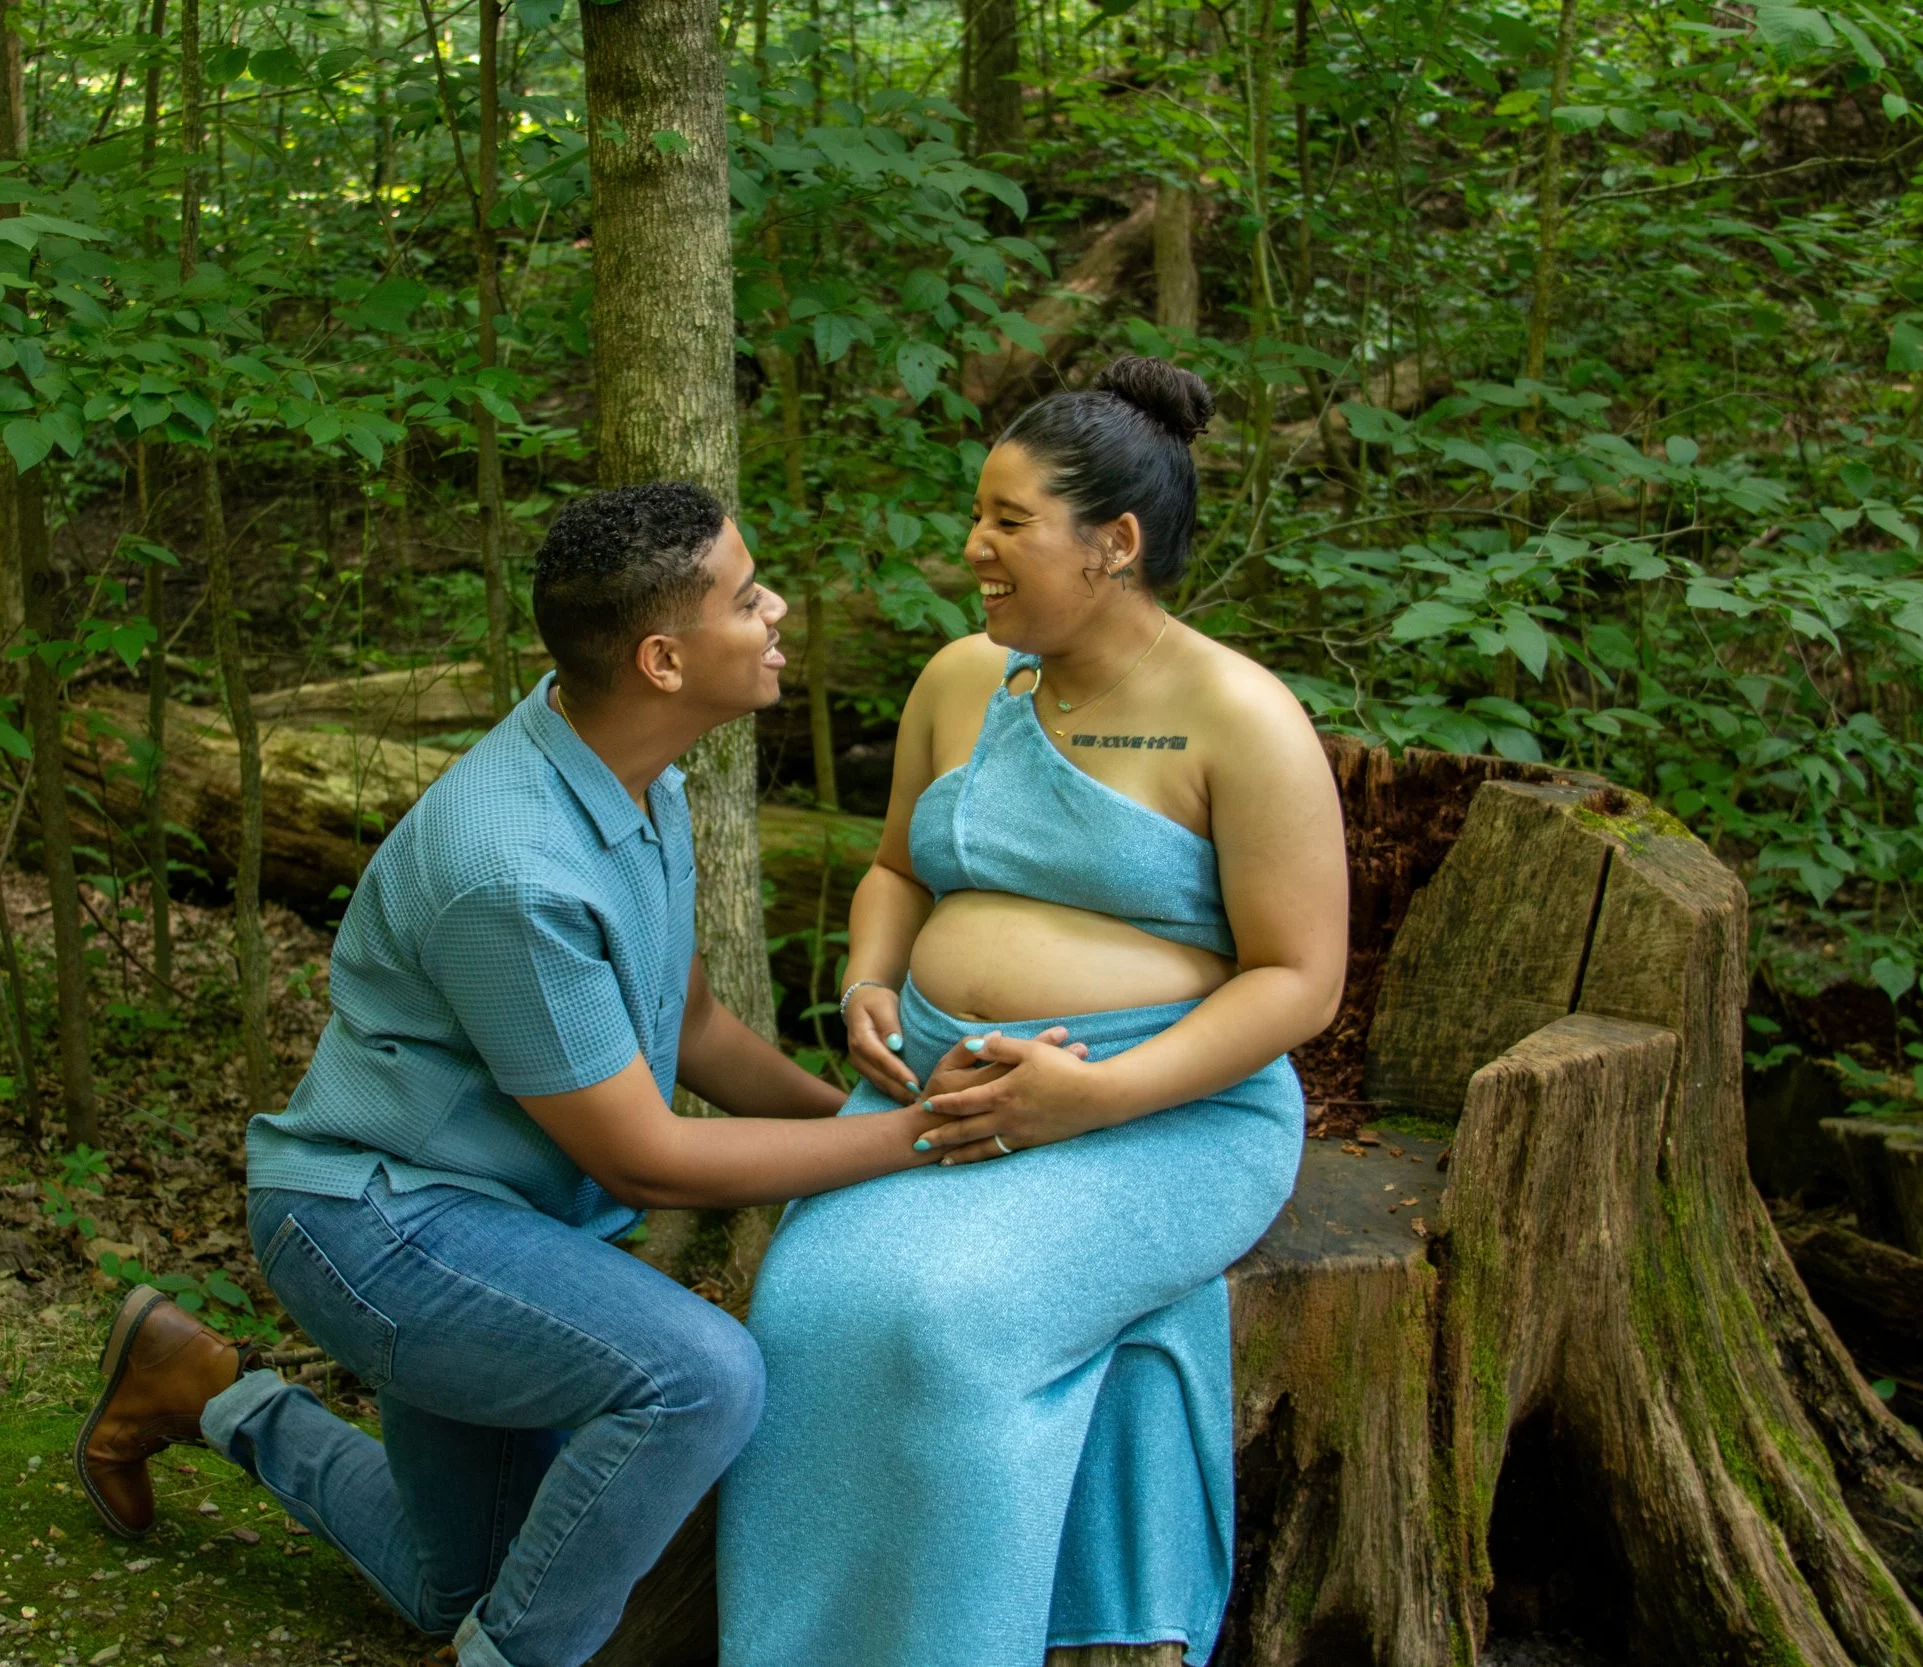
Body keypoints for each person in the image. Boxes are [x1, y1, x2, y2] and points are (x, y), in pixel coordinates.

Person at [69, 481, 1058, 1667]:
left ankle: (199, 1387)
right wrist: (932, 1133)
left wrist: (873, 1108)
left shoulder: (639, 772)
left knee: (466, 1584)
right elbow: (645, 1154)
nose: (777, 607)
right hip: (384, 1226)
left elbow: (687, 1019)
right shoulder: (514, 868)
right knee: (697, 1377)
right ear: (661, 657)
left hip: (496, 1224)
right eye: (747, 597)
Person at [717, 358, 1350, 1667]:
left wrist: (1099, 1094)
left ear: (1113, 543)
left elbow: (1301, 978)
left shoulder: (1242, 716)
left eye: (1008, 521)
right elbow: (895, 866)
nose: (974, 548)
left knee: (946, 1320)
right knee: (804, 1301)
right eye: (980, 515)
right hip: (934, 1088)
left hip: (1167, 1110)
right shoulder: (964, 680)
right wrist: (867, 984)